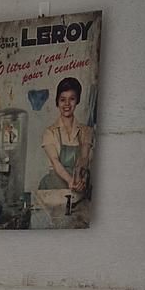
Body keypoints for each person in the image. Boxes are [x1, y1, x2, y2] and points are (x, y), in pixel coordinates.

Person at [32, 76, 93, 226]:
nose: (67, 104)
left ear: (77, 100)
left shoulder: (86, 131)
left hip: (77, 189)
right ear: (57, 102)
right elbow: (55, 161)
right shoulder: (50, 132)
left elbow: (84, 158)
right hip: (53, 188)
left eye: (71, 99)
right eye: (62, 99)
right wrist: (70, 180)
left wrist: (80, 178)